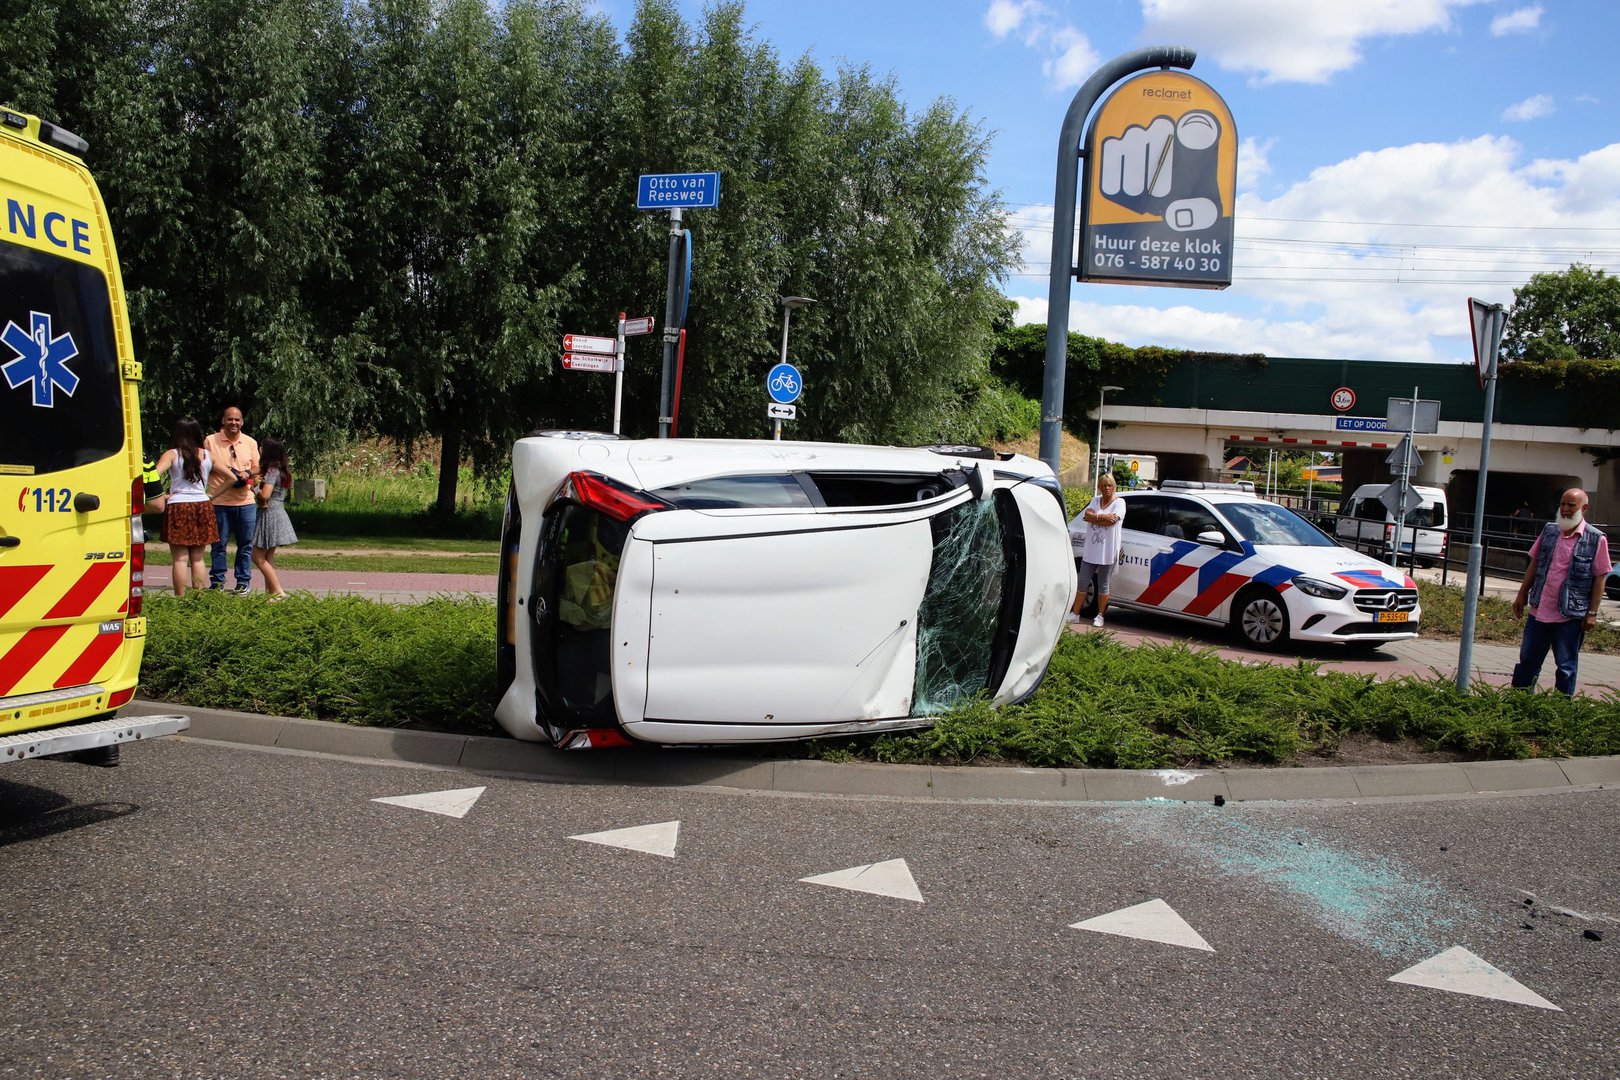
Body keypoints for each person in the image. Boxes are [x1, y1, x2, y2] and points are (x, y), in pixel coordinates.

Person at [1510, 488, 1612, 695]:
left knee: (1565, 668)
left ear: (1584, 509)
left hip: (1571, 617)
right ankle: (1518, 706)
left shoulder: (1596, 539)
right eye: (1562, 504)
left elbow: (1600, 577)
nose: (1565, 509)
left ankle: (1561, 713)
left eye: (1571, 505)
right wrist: (1522, 595)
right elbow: (1535, 563)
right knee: (1527, 662)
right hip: (1540, 612)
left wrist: (1592, 613)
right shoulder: (1550, 531)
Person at [155, 418, 219, 597]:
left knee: (180, 559)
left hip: (178, 505)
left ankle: (180, 599)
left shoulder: (172, 454)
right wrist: (212, 495)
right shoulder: (207, 455)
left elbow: (153, 475)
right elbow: (231, 477)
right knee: (198, 558)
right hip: (202, 505)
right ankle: (198, 597)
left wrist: (163, 496)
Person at [205, 405, 260, 593]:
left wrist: (248, 474)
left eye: (237, 419)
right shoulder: (210, 441)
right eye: (230, 419)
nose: (233, 423)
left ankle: (243, 582)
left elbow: (258, 468)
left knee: (245, 545)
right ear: (223, 421)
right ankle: (217, 582)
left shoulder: (250, 442)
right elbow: (203, 466)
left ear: (242, 422)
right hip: (219, 502)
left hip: (245, 502)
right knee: (218, 545)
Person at [1067, 474, 1127, 629]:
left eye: (1110, 485)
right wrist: (1103, 516)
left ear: (1114, 487)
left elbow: (1112, 522)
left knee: (1103, 584)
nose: (1107, 488)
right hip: (1091, 550)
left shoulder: (1120, 503)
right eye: (1104, 485)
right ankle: (1075, 613)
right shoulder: (1095, 500)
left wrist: (1096, 517)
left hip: (1108, 551)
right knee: (1083, 582)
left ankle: (1100, 616)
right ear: (1100, 487)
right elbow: (1087, 516)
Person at [251, 438, 299, 602]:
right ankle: (269, 594)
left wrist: (254, 486)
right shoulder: (282, 470)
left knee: (257, 557)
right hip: (278, 511)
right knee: (268, 557)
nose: (259, 451)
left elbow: (265, 496)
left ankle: (278, 591)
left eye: (261, 449)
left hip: (269, 513)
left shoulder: (272, 471)